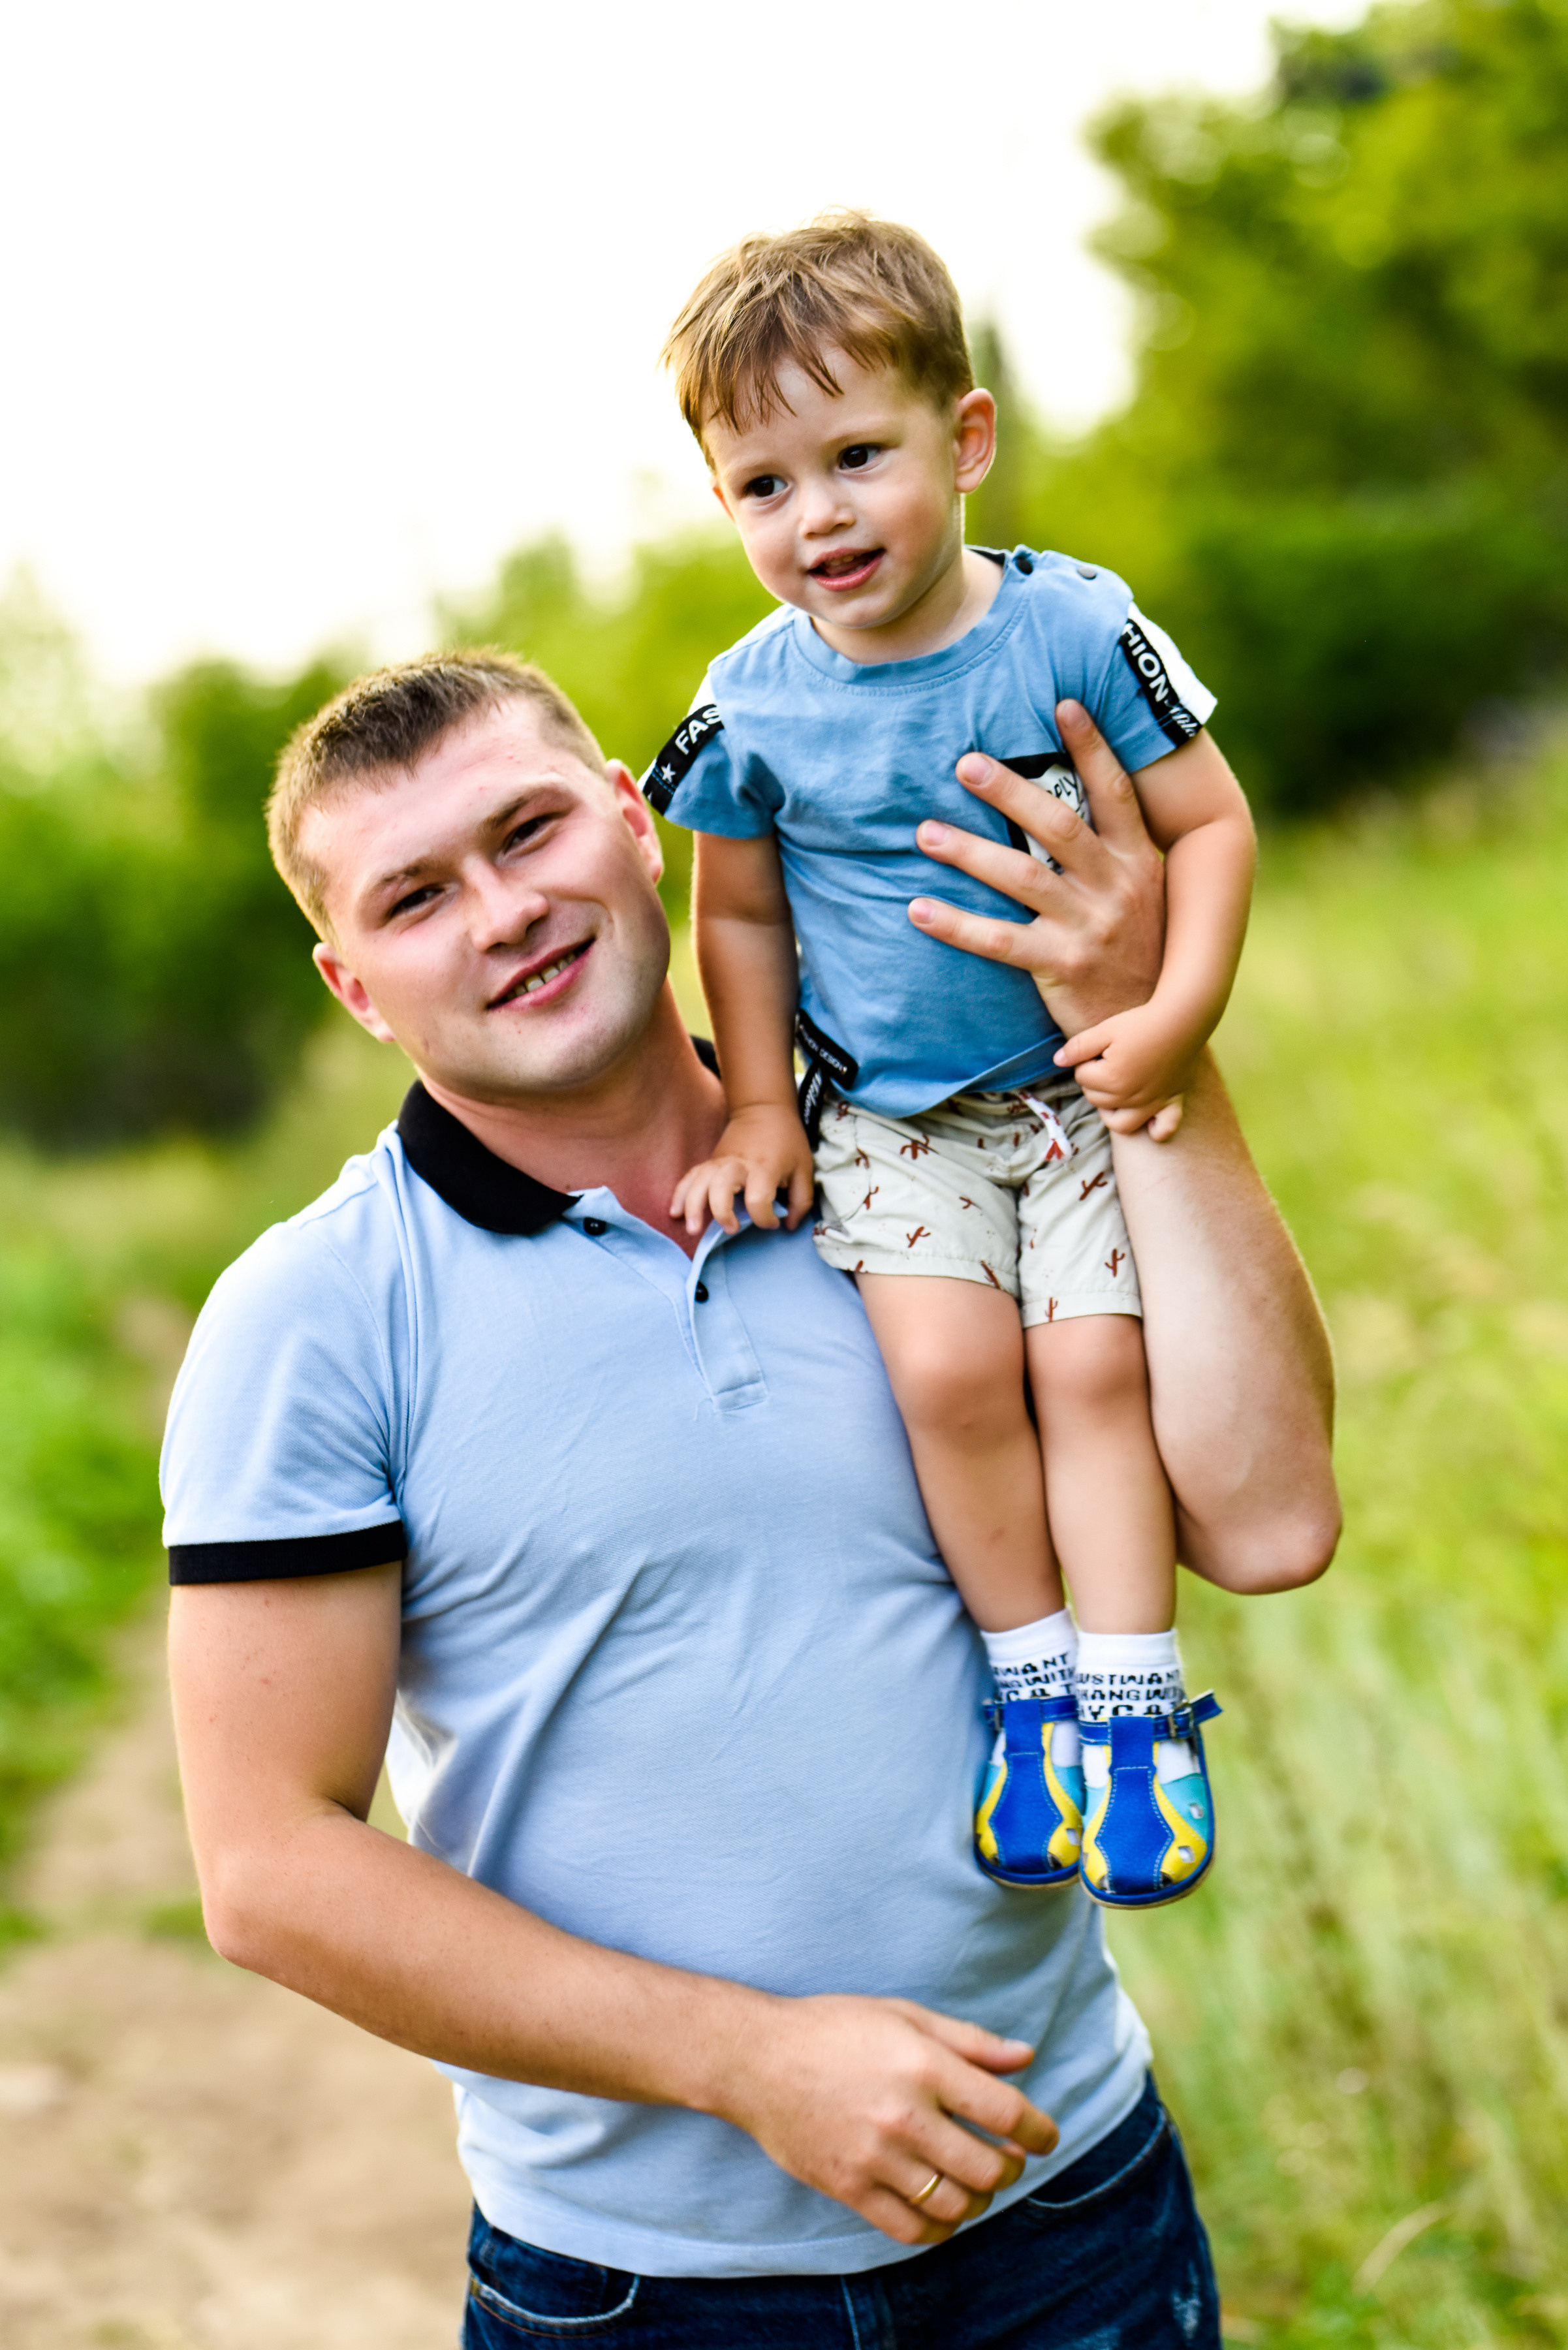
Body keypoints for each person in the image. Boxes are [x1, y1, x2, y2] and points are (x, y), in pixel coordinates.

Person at [163, 649, 1338, 2348]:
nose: (504, 913)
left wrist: (1138, 1038)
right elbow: (269, 1867)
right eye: (417, 897)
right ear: (354, 984)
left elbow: (1270, 1522)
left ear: (639, 821)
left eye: (529, 831)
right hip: (639, 2293)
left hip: (1069, 2216)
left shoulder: (934, 1158)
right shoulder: (317, 1315)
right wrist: (746, 2061)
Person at [651, 212, 1257, 1908]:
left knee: (1093, 1374)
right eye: (764, 485)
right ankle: (1031, 1691)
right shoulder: (750, 704)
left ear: (965, 440)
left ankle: (1137, 1710)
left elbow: (1211, 827)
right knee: (946, 1378)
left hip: (1074, 1094)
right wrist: (759, 1106)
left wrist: (1179, 1011)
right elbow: (737, 914)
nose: (819, 517)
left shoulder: (1072, 631)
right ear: (722, 502)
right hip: (891, 1119)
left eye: (858, 457)